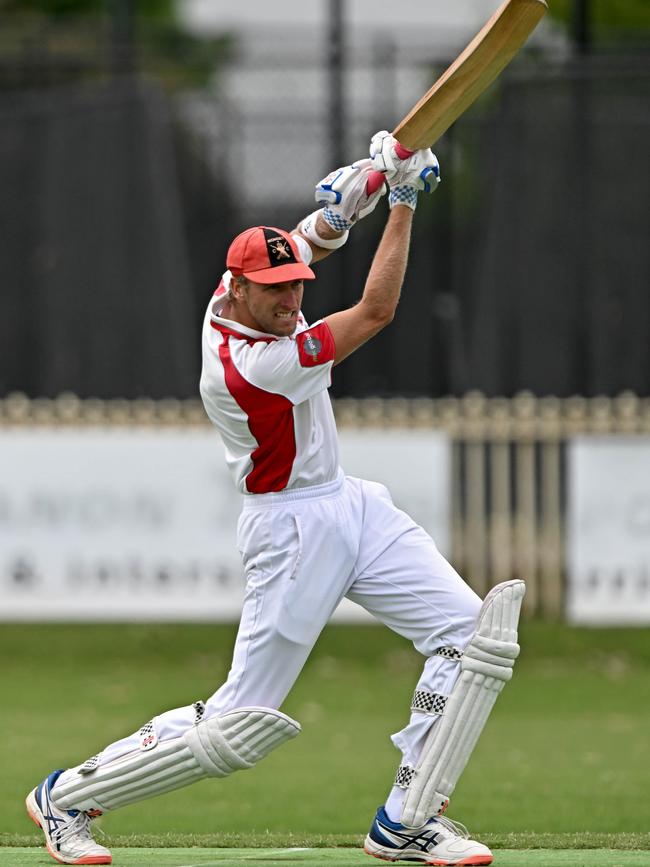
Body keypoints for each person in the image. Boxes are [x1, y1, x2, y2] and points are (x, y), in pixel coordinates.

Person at [26, 132, 524, 866]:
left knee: (472, 636)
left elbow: (312, 235)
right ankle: (66, 796)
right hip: (290, 530)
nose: (292, 300)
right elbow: (377, 310)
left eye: (296, 286)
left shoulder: (242, 291)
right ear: (237, 290)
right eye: (277, 290)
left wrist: (366, 183)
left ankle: (409, 818)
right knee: (236, 726)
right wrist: (405, 205)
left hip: (349, 502)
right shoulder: (255, 366)